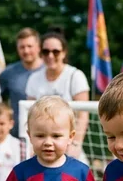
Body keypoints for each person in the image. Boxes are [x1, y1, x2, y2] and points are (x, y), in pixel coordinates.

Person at [25, 31, 90, 159]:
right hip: (42, 147)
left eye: (55, 51)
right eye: (46, 51)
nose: (50, 55)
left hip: (68, 145)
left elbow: (83, 115)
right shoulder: (34, 79)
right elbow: (30, 115)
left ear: (64, 52)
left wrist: (75, 144)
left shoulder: (75, 76)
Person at [0, 28, 44, 136]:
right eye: (22, 47)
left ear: (38, 47)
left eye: (29, 46)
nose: (26, 51)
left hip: (45, 133)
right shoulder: (8, 73)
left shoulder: (49, 71)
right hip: (16, 134)